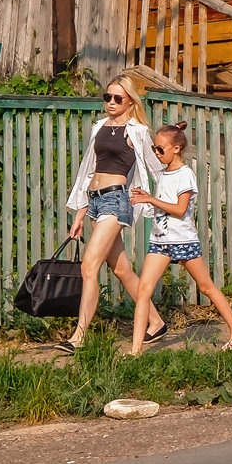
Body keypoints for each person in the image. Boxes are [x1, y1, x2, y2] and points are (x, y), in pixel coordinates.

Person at [55, 74, 167, 353]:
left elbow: (157, 170)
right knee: (120, 269)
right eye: (108, 97)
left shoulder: (137, 131)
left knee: (89, 266)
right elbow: (87, 171)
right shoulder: (99, 127)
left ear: (130, 100)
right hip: (93, 202)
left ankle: (78, 337)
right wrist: (80, 211)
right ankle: (156, 322)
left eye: (118, 98)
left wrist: (165, 202)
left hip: (116, 202)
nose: (112, 102)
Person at [127, 122, 232, 355]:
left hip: (183, 240)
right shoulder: (162, 173)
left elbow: (181, 209)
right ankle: (135, 350)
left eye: (161, 149)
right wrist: (147, 196)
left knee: (206, 287)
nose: (157, 153)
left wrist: (151, 200)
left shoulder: (185, 175)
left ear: (177, 149)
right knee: (143, 290)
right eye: (155, 148)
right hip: (160, 241)